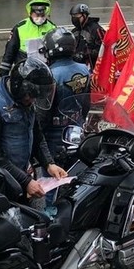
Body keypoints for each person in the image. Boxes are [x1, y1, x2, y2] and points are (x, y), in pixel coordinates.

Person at [0, 58, 67, 201]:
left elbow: (36, 134)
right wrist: (26, 181)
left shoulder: (26, 98)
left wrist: (49, 164)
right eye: (31, 97)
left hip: (19, 175)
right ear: (18, 87)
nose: (32, 102)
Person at [40, 27, 91, 166]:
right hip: (77, 128)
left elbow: (42, 115)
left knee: (53, 180)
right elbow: (87, 103)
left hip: (55, 134)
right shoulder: (84, 69)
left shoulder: (50, 75)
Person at [0, 0, 57, 78]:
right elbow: (10, 51)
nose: (40, 18)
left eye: (42, 15)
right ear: (30, 13)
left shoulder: (52, 27)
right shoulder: (20, 27)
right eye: (37, 16)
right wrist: (4, 72)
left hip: (45, 71)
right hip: (24, 71)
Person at [69, 3, 105, 68]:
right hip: (77, 66)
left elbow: (103, 48)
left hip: (93, 66)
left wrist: (85, 54)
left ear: (84, 15)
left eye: (76, 15)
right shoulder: (74, 31)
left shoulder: (95, 29)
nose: (74, 18)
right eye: (72, 16)